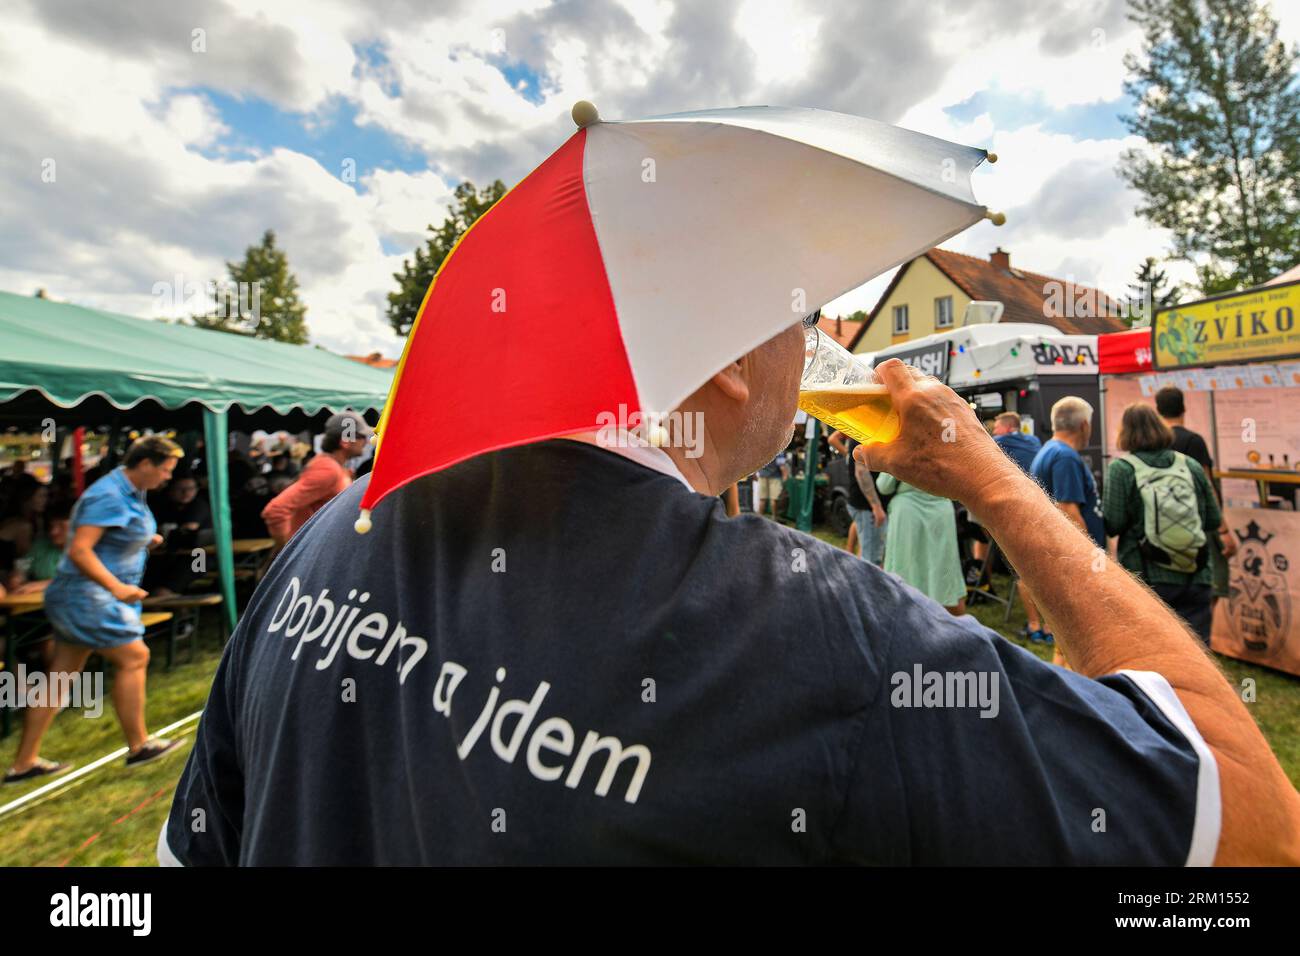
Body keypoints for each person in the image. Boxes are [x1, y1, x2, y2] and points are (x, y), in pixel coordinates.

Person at [162, 323, 1300, 865]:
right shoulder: (822, 629)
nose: (816, 357)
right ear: (726, 362)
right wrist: (988, 478)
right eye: (801, 320)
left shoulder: (345, 522)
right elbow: (1250, 823)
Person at [5, 437, 186, 784]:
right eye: (164, 470)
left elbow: (108, 537)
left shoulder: (128, 490)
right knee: (135, 657)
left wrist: (143, 541)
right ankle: (140, 746)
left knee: (61, 677)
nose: (166, 478)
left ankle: (23, 763)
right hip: (89, 596)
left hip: (84, 596)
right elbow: (80, 551)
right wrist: (117, 587)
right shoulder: (109, 495)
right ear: (146, 464)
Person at [1104, 403, 1220, 645]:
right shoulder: (1190, 465)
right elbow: (1213, 519)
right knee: (1198, 655)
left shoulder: (1122, 469)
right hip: (1196, 571)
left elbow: (1113, 524)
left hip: (1147, 574)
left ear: (1124, 432)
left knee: (1154, 654)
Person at [1028, 397, 1104, 653]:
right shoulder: (1065, 457)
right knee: (1079, 640)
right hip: (1076, 560)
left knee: (1068, 643)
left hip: (1060, 556)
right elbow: (1068, 510)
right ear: (1084, 425)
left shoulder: (1050, 450)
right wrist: (1091, 556)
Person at [1155, 386, 1237, 606]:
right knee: (1208, 590)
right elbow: (1207, 486)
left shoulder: (1153, 444)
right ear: (1184, 407)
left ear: (1158, 410)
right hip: (1197, 526)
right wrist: (1223, 530)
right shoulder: (1193, 441)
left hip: (1163, 529)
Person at [261, 413, 372, 548]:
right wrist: (287, 553)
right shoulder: (328, 469)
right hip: (317, 556)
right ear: (346, 441)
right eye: (362, 437)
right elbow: (276, 510)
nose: (366, 441)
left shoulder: (335, 466)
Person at [875, 472, 966, 613]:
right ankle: (954, 627)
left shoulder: (899, 448)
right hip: (940, 511)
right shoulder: (952, 448)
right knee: (944, 571)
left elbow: (884, 486)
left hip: (908, 514)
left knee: (905, 569)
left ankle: (908, 618)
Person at [829, 430, 887, 565]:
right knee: (870, 558)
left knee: (868, 552)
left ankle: (853, 562)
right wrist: (876, 506)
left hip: (866, 504)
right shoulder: (860, 432)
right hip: (866, 505)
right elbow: (861, 473)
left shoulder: (862, 433)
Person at [751, 451, 787, 519]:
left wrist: (754, 473)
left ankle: (759, 519)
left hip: (762, 476)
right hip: (775, 477)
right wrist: (785, 476)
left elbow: (756, 464)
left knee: (762, 499)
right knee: (774, 500)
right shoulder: (779, 449)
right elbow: (782, 466)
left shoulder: (763, 450)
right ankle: (774, 518)